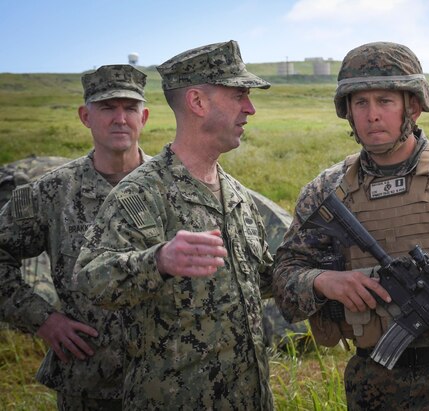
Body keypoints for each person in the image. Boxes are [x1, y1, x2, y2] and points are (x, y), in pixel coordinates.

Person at [273, 41, 429, 410]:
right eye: (360, 103)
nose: (372, 115)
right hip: (375, 388)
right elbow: (283, 280)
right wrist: (323, 282)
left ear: (411, 106)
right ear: (347, 112)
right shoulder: (328, 190)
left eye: (384, 101)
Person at [73, 40, 275, 410]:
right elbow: (90, 281)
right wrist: (159, 261)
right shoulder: (141, 193)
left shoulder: (237, 195)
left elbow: (260, 280)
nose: (250, 108)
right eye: (239, 95)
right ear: (198, 103)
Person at [0, 64, 150, 410]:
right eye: (107, 107)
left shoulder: (173, 186)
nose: (120, 118)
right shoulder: (50, 192)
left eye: (129, 108)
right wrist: (43, 319)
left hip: (169, 378)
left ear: (144, 116)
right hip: (88, 383)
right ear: (85, 115)